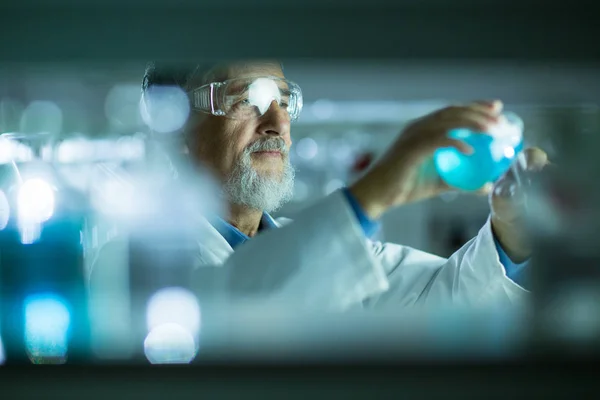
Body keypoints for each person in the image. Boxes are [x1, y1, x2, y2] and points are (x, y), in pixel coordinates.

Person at [91, 60, 548, 311]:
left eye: (283, 99)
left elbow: (444, 302)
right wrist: (377, 190)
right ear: (175, 131)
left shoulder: (321, 245)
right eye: (246, 98)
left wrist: (509, 231)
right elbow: (234, 318)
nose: (276, 123)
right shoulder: (129, 259)